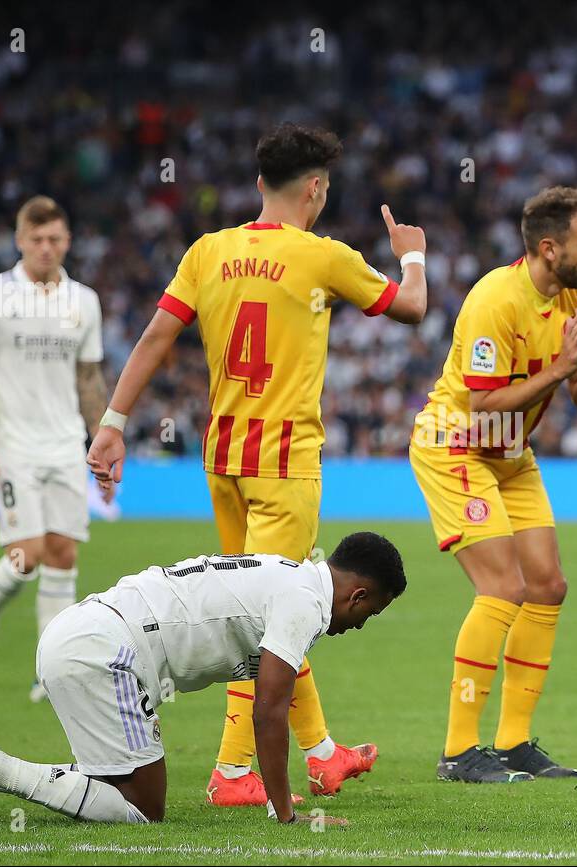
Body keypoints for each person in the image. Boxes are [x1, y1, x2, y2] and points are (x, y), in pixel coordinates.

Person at [85, 123, 426, 805]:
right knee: (274, 617)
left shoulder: (208, 251)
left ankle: (322, 753)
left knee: (263, 604)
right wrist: (411, 256)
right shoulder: (322, 255)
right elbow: (411, 309)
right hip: (284, 465)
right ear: (316, 189)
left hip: (222, 461)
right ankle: (233, 772)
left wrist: (113, 423)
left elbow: (157, 334)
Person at [0, 532, 406, 826]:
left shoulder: (288, 575)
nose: (361, 624)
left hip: (83, 633)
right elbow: (269, 711)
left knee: (112, 787)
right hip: (107, 652)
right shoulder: (306, 601)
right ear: (358, 595)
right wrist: (286, 813)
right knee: (144, 807)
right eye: (372, 612)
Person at [409, 185, 577, 783]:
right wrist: (561, 368)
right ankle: (458, 751)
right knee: (502, 588)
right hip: (455, 442)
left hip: (511, 453)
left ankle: (511, 744)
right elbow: (483, 404)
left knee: (548, 586)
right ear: (549, 248)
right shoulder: (494, 300)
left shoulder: (576, 292)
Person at [0, 196, 111, 703]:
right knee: (26, 557)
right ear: (20, 240)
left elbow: (88, 377)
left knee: (63, 553)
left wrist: (102, 438)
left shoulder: (84, 300)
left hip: (65, 442)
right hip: (12, 447)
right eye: (36, 239)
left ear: (67, 241)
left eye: (55, 239)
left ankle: (49, 666)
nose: (46, 248)